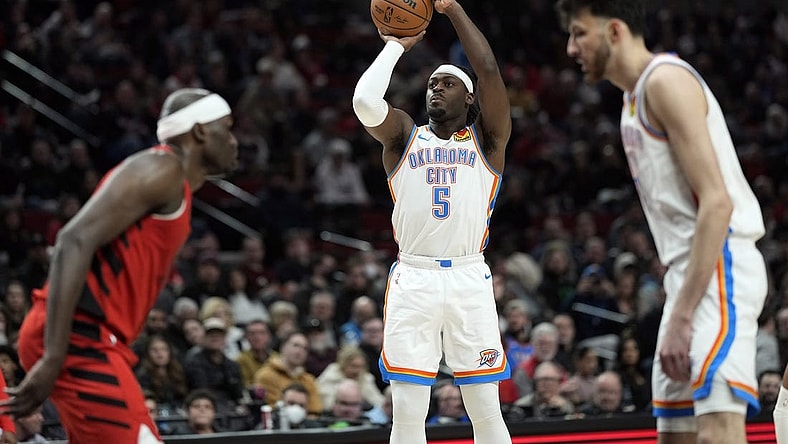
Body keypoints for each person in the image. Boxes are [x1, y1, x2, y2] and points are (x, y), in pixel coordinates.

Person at [556, 2, 768, 443]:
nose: (571, 47)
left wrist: (681, 316)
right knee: (675, 434)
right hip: (689, 275)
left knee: (717, 432)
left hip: (720, 267)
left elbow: (717, 203)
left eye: (579, 33)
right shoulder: (632, 100)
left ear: (614, 30)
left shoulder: (666, 81)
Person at [3, 87, 238, 444]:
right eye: (228, 127)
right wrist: (54, 356)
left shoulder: (176, 186)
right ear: (201, 131)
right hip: (80, 338)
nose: (235, 140)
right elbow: (71, 240)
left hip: (97, 340)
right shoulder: (162, 166)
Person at [352, 1, 512, 443]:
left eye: (447, 84)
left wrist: (454, 10)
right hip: (414, 277)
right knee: (407, 413)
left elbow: (490, 71)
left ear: (469, 97)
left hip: (468, 277)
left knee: (486, 410)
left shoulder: (489, 142)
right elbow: (364, 101)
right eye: (430, 85)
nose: (435, 90)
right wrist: (394, 46)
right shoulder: (404, 134)